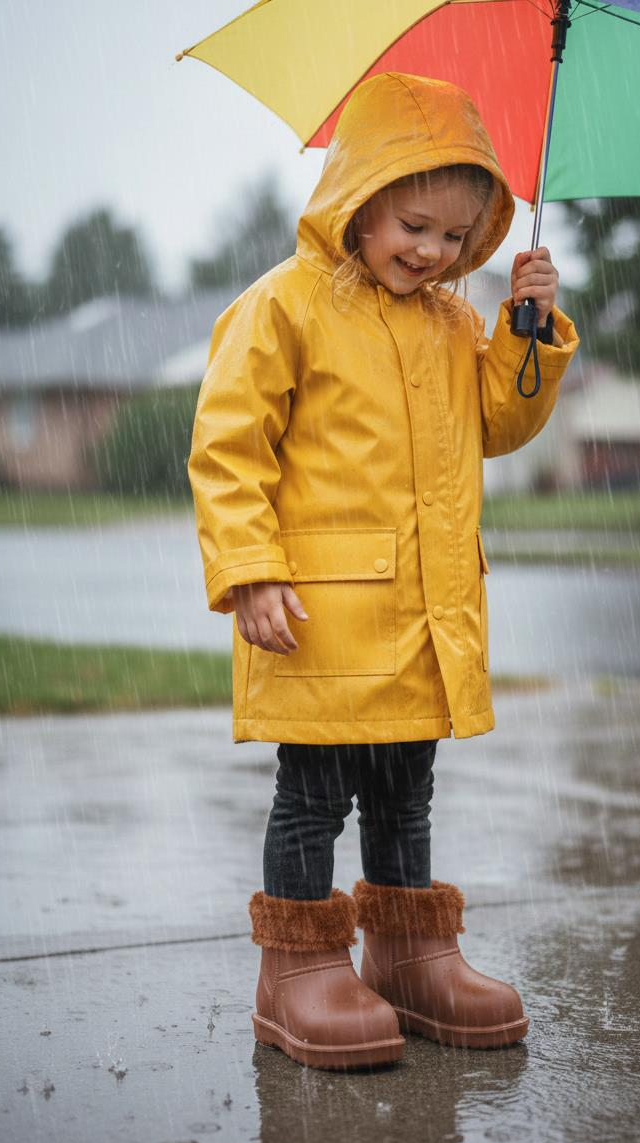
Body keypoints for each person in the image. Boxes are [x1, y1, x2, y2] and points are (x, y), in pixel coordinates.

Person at [188, 71, 580, 1071]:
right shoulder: (283, 307)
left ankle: (410, 954)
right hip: (320, 613)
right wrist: (251, 571)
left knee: (405, 799)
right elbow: (230, 449)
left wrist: (526, 332)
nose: (433, 252)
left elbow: (498, 423)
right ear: (357, 200)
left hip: (423, 619)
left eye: (455, 237)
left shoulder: (455, 323)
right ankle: (299, 972)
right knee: (313, 796)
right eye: (413, 224)